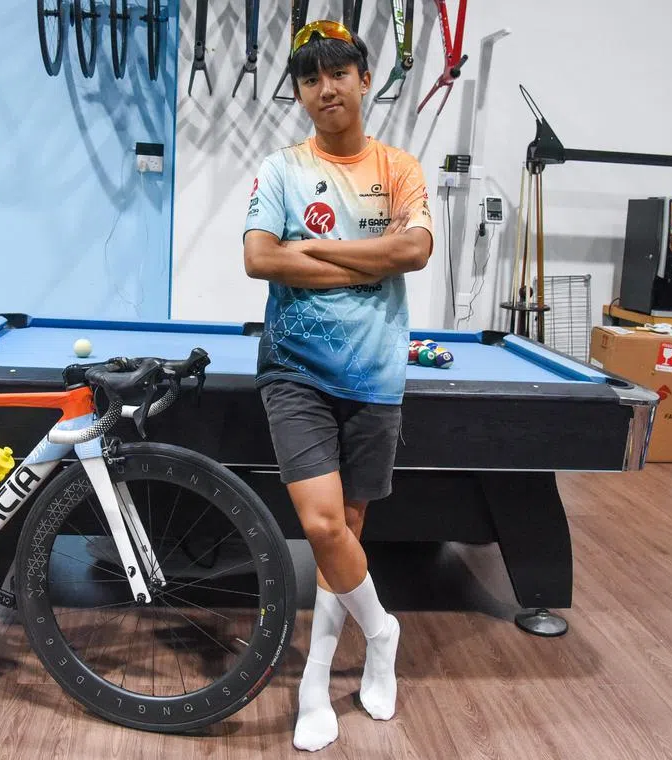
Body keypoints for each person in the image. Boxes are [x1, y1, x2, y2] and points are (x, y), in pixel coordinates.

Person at [242, 19, 434, 753]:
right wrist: (368, 260)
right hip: (295, 369)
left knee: (346, 532)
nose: (327, 87)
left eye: (339, 72)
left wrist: (316, 247)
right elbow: (261, 259)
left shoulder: (400, 167)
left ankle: (318, 675)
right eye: (311, 78)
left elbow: (414, 249)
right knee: (322, 526)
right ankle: (380, 631)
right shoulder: (283, 167)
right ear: (300, 92)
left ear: (361, 78)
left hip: (376, 372)